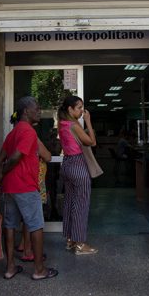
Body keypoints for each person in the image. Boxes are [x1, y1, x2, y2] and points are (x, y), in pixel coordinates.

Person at [0, 96, 58, 281]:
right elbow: (14, 158)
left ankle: (10, 268)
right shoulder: (29, 132)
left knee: (10, 226)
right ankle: (39, 269)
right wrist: (4, 172)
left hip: (10, 188)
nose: (39, 111)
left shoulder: (13, 133)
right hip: (25, 186)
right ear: (25, 112)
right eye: (36, 108)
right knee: (36, 226)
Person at [58, 95, 98, 255]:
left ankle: (70, 240)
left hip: (67, 164)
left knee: (70, 203)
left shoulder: (62, 124)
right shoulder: (74, 125)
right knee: (81, 204)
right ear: (70, 109)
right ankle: (80, 244)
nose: (82, 111)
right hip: (78, 165)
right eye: (79, 108)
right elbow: (91, 142)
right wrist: (88, 121)